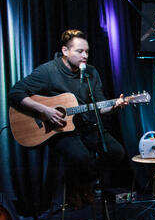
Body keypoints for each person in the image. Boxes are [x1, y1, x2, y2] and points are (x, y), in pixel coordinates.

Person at [8, 29, 128, 209]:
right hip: (59, 129)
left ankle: (82, 182)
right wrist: (45, 110)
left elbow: (100, 105)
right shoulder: (48, 71)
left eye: (87, 51)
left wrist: (114, 106)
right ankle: (77, 185)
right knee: (82, 157)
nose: (85, 55)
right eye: (79, 51)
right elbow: (15, 92)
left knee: (116, 152)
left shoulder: (91, 73)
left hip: (86, 125)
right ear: (65, 51)